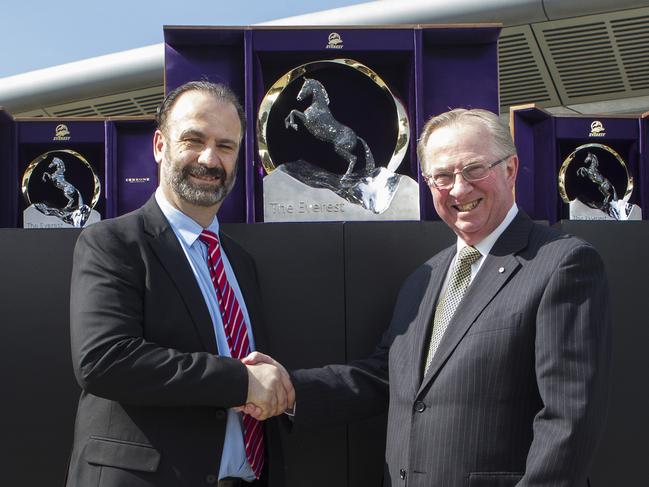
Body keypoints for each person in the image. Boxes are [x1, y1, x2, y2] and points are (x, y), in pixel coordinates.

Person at [245, 108, 612, 486]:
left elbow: (569, 419)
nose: (458, 188)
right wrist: (288, 390)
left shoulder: (562, 263)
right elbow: (385, 378)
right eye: (442, 176)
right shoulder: (427, 276)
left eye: (474, 169)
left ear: (510, 169)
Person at [66, 81, 293, 487]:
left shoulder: (240, 263)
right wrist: (240, 382)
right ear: (159, 145)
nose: (209, 158)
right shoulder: (113, 242)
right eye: (193, 139)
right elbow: (104, 360)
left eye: (225, 146)